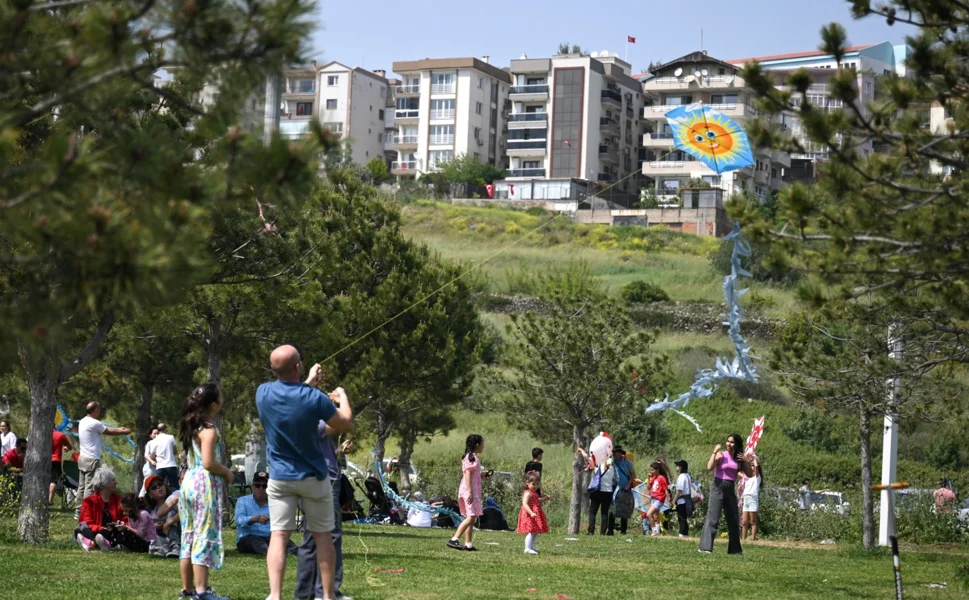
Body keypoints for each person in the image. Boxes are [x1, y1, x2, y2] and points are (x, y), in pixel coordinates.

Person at [256, 345, 353, 600]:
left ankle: (275, 595)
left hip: (279, 478)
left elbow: (292, 395)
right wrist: (342, 398)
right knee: (323, 538)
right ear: (297, 367)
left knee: (279, 536)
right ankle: (329, 596)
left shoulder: (263, 393)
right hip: (313, 477)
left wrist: (307, 381)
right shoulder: (316, 398)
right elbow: (345, 423)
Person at [177, 384, 234, 600]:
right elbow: (209, 462)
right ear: (213, 404)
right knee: (202, 534)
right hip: (203, 485)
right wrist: (227, 473)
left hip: (188, 483)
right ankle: (202, 592)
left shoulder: (192, 426)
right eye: (220, 396)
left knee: (189, 535)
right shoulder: (208, 430)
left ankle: (187, 589)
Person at [295, 427, 352, 600]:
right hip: (323, 481)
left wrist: (338, 451)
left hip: (319, 478)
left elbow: (320, 452)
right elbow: (343, 421)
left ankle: (306, 594)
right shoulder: (315, 412)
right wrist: (341, 400)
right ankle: (327, 593)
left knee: (311, 539)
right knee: (331, 535)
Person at [699, 433, 753, 555]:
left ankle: (735, 550)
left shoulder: (739, 458)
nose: (729, 444)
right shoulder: (721, 455)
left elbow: (749, 474)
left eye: (732, 442)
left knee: (733, 519)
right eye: (728, 441)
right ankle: (705, 547)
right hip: (717, 486)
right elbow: (709, 467)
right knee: (713, 518)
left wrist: (746, 461)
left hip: (730, 488)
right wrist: (714, 452)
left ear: (737, 444)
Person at [76, 401, 131, 518]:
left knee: (81, 486)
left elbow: (106, 428)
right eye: (99, 409)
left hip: (82, 458)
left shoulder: (83, 421)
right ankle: (86, 510)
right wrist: (124, 431)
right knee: (90, 486)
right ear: (95, 410)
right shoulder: (94, 423)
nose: (100, 411)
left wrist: (119, 429)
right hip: (92, 458)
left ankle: (78, 510)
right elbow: (109, 431)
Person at [75, 467, 146, 552]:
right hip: (97, 532)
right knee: (81, 529)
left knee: (127, 534)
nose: (116, 482)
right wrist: (101, 528)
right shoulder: (89, 501)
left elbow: (126, 518)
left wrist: (123, 525)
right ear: (104, 483)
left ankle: (93, 544)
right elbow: (87, 523)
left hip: (115, 532)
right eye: (113, 480)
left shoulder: (119, 500)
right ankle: (97, 542)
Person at [235, 471, 297, 556]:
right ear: (252, 487)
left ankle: (295, 551)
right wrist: (254, 519)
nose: (261, 489)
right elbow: (239, 520)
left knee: (285, 542)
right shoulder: (243, 501)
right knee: (255, 541)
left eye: (264, 486)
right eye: (257, 485)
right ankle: (272, 551)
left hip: (268, 537)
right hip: (248, 537)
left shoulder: (275, 503)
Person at [447, 434, 491, 551]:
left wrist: (483, 475)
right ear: (477, 445)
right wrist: (470, 491)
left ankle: (468, 544)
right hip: (469, 490)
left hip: (469, 489)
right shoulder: (471, 458)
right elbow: (467, 475)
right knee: (472, 516)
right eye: (482, 444)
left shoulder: (472, 457)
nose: (483, 446)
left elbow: (473, 475)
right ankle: (454, 539)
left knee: (470, 516)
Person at [517, 471, 549, 555]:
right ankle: (527, 548)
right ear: (527, 483)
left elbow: (536, 500)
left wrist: (544, 499)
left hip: (534, 513)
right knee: (531, 531)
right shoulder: (527, 493)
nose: (535, 486)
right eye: (533, 484)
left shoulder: (533, 493)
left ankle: (531, 546)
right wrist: (531, 513)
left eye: (537, 484)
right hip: (529, 514)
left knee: (535, 531)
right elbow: (524, 504)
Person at [609, 446, 636, 535]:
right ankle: (610, 530)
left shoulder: (626, 462)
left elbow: (633, 475)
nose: (614, 454)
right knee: (612, 509)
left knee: (624, 509)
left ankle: (623, 530)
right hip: (613, 488)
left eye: (616, 452)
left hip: (625, 489)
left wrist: (628, 484)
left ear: (620, 453)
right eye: (613, 452)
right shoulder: (611, 462)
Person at [587, 457, 615, 536]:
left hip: (597, 491)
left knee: (592, 512)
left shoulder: (598, 464)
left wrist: (581, 450)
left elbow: (588, 458)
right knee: (604, 513)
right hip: (608, 492)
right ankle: (602, 532)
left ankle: (591, 531)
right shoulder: (614, 466)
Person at [49, 425, 73, 504]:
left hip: (44, 461)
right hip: (56, 460)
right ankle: (50, 500)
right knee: (53, 481)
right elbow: (70, 447)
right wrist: (66, 448)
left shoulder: (43, 435)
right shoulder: (60, 435)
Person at [151, 422, 179, 489]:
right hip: (171, 465)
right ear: (166, 430)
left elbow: (152, 455)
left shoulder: (155, 440)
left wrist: (155, 458)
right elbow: (175, 452)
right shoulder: (171, 437)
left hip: (160, 466)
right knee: (174, 486)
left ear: (158, 430)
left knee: (159, 487)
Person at [741, 456, 763, 541]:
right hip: (746, 499)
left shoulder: (757, 478)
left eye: (752, 466)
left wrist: (753, 458)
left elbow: (757, 466)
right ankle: (743, 539)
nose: (752, 467)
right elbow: (738, 471)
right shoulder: (747, 477)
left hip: (752, 499)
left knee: (753, 521)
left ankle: (753, 539)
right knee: (744, 522)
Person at [644, 462, 669, 537]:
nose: (651, 472)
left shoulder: (661, 478)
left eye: (652, 470)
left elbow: (666, 489)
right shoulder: (654, 478)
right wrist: (648, 478)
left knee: (649, 514)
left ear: (657, 470)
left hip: (659, 499)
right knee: (656, 515)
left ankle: (653, 530)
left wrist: (669, 500)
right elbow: (648, 488)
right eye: (650, 470)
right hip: (654, 498)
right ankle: (657, 531)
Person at [672, 460, 694, 538]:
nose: (676, 467)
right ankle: (685, 533)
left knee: (681, 518)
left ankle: (682, 533)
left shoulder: (681, 477)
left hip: (682, 500)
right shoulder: (688, 475)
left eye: (677, 465)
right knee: (684, 517)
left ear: (680, 467)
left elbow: (680, 490)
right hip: (688, 500)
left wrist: (674, 500)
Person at [140, 428, 160, 499]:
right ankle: (140, 499)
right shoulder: (149, 443)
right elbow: (146, 456)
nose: (157, 435)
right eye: (155, 433)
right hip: (150, 468)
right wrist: (152, 461)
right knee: (147, 485)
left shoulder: (161, 443)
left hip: (157, 468)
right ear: (150, 435)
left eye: (158, 433)